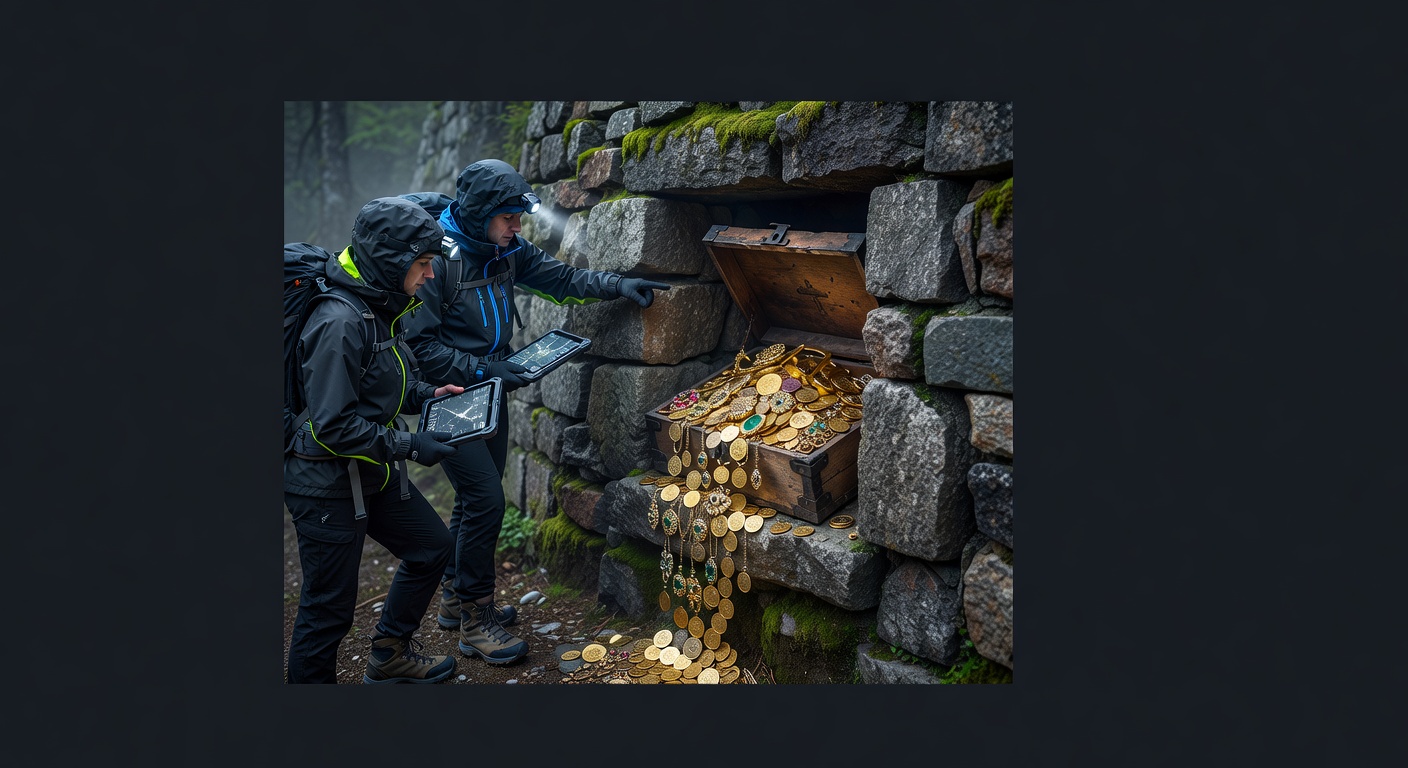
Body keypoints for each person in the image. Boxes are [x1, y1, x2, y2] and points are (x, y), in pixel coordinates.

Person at [405, 158, 669, 666]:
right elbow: (421, 348)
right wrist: (486, 370)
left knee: (474, 498)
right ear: (483, 213)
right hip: (449, 395)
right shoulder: (439, 260)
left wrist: (617, 286)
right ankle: (476, 625)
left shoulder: (502, 250)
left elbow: (559, 277)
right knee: (485, 501)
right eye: (509, 218)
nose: (517, 227)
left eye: (519, 219)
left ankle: (458, 600)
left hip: (490, 389)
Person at [284, 196, 469, 684]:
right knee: (328, 613)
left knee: (432, 547)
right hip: (323, 481)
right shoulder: (340, 321)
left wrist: (430, 394)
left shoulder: (379, 304)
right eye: (424, 263)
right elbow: (334, 425)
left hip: (370, 468)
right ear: (392, 260)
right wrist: (412, 447)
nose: (430, 275)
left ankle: (389, 654)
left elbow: (382, 380)